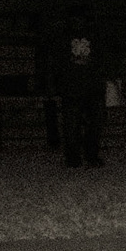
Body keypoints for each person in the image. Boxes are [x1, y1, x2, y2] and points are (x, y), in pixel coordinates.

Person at [50, 13, 109, 168]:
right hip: (79, 87)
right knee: (76, 124)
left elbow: (57, 62)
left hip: (83, 87)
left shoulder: (64, 37)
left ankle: (79, 156)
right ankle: (81, 156)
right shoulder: (91, 36)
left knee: (82, 123)